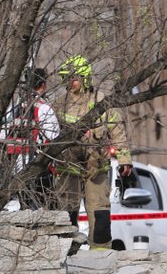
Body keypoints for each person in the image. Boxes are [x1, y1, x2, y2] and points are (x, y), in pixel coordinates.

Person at [52, 54, 132, 250]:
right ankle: (68, 254)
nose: (71, 82)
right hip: (68, 166)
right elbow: (50, 132)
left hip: (95, 167)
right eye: (67, 78)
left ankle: (101, 254)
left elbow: (118, 131)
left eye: (75, 78)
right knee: (66, 212)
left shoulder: (101, 101)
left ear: (85, 77)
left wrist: (125, 160)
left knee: (99, 211)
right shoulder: (59, 103)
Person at [0, 68, 59, 208]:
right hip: (39, 167)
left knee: (24, 207)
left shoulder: (15, 108)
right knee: (42, 209)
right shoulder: (43, 108)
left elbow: (3, 134)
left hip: (16, 168)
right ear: (43, 84)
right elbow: (54, 137)